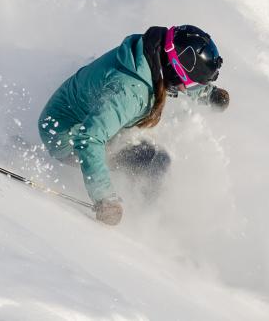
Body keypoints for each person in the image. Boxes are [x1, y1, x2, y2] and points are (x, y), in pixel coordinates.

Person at [38, 25, 229, 225]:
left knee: (150, 153)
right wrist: (105, 199)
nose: (188, 89)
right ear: (174, 68)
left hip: (81, 118)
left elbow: (174, 73)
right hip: (65, 137)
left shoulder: (150, 52)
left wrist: (208, 94)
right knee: (153, 162)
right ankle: (147, 223)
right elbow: (89, 138)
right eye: (192, 85)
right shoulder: (130, 92)